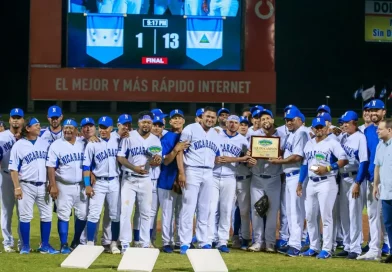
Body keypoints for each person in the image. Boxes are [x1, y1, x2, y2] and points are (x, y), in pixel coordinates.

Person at [297, 117, 348, 259]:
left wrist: (327, 168)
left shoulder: (332, 143)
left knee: (326, 217)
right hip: (311, 183)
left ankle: (327, 249)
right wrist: (300, 182)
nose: (319, 130)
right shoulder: (309, 144)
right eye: (316, 127)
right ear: (312, 129)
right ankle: (314, 247)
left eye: (321, 127)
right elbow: (305, 165)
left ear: (326, 128)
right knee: (310, 216)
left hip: (327, 182)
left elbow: (343, 160)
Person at [9, 117, 58, 254]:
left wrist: (51, 183)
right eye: (36, 125)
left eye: (39, 125)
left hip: (43, 185)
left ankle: (45, 245)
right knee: (25, 216)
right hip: (26, 185)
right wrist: (17, 187)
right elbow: (13, 168)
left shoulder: (45, 143)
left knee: (47, 216)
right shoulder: (19, 145)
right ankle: (25, 246)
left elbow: (50, 166)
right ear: (28, 128)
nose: (39, 127)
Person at [177, 106, 221, 254]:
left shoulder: (216, 134)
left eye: (213, 117)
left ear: (216, 119)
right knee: (188, 207)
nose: (210, 119)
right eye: (207, 116)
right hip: (192, 170)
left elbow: (217, 155)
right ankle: (185, 242)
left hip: (209, 172)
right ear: (201, 117)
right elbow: (179, 150)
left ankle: (204, 241)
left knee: (205, 208)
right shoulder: (190, 129)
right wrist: (181, 172)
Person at [117, 111, 162, 252]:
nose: (146, 125)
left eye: (149, 122)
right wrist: (134, 168)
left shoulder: (155, 139)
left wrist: (156, 161)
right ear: (139, 123)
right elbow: (121, 157)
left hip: (146, 180)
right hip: (129, 178)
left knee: (146, 212)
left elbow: (158, 159)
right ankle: (125, 243)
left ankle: (144, 242)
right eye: (144, 122)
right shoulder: (129, 136)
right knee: (126, 211)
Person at [208, 115, 250, 253]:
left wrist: (236, 158)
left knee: (226, 209)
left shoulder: (243, 140)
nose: (232, 124)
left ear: (239, 125)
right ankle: (210, 239)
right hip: (213, 175)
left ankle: (222, 241)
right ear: (226, 123)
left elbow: (248, 158)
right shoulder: (216, 134)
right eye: (230, 122)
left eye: (235, 122)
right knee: (212, 209)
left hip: (230, 176)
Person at [270, 107, 308, 257]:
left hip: (298, 175)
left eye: (291, 119)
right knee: (291, 213)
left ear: (299, 119)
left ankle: (297, 245)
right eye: (286, 120)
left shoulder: (302, 132)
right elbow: (289, 155)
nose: (288, 122)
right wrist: (282, 160)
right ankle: (293, 242)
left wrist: (279, 162)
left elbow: (298, 156)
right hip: (289, 176)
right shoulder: (292, 134)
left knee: (297, 212)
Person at [46, 119, 88, 254]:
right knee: (63, 215)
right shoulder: (56, 145)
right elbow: (51, 167)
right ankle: (64, 244)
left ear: (77, 130)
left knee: (83, 214)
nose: (68, 130)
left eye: (71, 127)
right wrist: (53, 185)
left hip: (81, 185)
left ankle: (76, 241)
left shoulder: (84, 143)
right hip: (63, 185)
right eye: (66, 127)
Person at [247, 109, 285, 252]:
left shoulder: (281, 136)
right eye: (262, 119)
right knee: (256, 210)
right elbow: (248, 157)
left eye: (268, 118)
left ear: (273, 120)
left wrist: (281, 157)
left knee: (272, 211)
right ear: (259, 122)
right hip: (257, 178)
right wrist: (249, 159)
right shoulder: (253, 136)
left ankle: (269, 242)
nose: (265, 121)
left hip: (274, 178)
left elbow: (284, 155)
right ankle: (257, 241)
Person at [83, 116, 121, 254]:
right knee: (93, 214)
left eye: (105, 127)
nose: (102, 130)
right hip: (98, 182)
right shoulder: (92, 143)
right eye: (101, 127)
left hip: (114, 181)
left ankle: (113, 243)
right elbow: (86, 166)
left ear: (111, 128)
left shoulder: (118, 140)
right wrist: (87, 184)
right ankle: (90, 243)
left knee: (114, 214)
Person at [336, 111, 368, 259]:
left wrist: (358, 182)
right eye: (342, 123)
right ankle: (348, 245)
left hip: (355, 178)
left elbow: (364, 162)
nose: (343, 125)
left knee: (354, 214)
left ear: (354, 122)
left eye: (346, 123)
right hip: (343, 179)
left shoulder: (360, 138)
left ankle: (355, 249)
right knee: (344, 214)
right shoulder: (342, 137)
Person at [358, 99, 386, 261]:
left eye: (377, 110)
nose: (373, 113)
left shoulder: (389, 129)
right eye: (371, 110)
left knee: (387, 217)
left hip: (388, 180)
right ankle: (374, 250)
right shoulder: (368, 131)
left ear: (383, 112)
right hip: (372, 180)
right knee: (373, 216)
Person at [133, 115, 164, 247]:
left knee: (150, 212)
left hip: (156, 179)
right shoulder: (135, 137)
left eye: (159, 125)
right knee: (138, 212)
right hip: (139, 177)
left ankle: (148, 239)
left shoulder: (163, 137)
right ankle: (136, 239)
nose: (156, 127)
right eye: (154, 124)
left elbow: (159, 159)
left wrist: (158, 160)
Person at [0, 108, 24, 253]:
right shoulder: (1, 137)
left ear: (23, 120)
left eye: (18, 117)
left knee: (23, 212)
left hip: (23, 178)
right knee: (6, 211)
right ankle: (7, 242)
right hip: (5, 176)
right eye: (13, 117)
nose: (15, 120)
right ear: (9, 120)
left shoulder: (27, 136)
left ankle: (23, 242)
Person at [232, 116, 252, 250]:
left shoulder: (249, 142)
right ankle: (232, 237)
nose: (243, 126)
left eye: (246, 124)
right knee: (225, 210)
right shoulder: (228, 139)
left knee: (244, 211)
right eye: (241, 124)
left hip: (245, 179)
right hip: (231, 178)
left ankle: (245, 238)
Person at [374, 119, 392, 263]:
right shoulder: (380, 145)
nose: (377, 131)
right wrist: (375, 185)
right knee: (388, 223)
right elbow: (377, 166)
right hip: (385, 192)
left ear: (389, 130)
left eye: (380, 129)